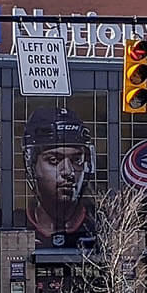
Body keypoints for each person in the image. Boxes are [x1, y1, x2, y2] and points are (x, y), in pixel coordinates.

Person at [22, 105, 97, 247]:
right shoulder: (15, 223)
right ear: (31, 166)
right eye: (54, 161)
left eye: (77, 160)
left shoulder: (101, 225)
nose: (68, 172)